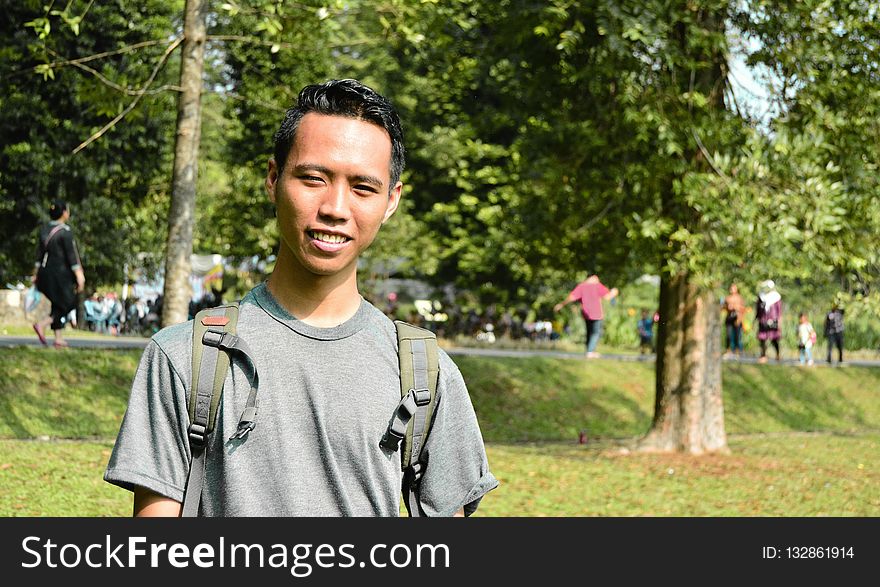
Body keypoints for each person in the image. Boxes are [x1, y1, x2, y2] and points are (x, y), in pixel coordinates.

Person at [104, 79, 497, 517]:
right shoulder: (184, 358)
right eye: (313, 178)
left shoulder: (425, 373)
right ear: (274, 179)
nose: (335, 207)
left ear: (391, 200)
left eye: (363, 188)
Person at [31, 200, 85, 348]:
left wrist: (35, 274)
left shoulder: (44, 230)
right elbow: (71, 256)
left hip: (45, 273)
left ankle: (58, 338)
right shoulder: (65, 232)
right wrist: (79, 275)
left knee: (57, 303)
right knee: (69, 302)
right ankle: (42, 324)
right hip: (61, 275)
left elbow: (39, 255)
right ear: (64, 213)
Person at [554, 274, 619, 358]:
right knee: (595, 332)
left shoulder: (582, 286)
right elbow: (607, 297)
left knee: (589, 332)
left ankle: (588, 350)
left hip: (586, 312)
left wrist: (561, 304)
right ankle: (590, 351)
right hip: (596, 312)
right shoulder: (597, 285)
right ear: (593, 277)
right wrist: (614, 292)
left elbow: (572, 297)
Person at [755, 279, 782, 363]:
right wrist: (756, 319)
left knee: (774, 339)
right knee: (762, 339)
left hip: (772, 320)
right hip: (763, 320)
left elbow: (779, 311)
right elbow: (758, 310)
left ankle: (778, 354)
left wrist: (779, 323)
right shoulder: (761, 297)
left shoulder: (776, 297)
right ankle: (763, 355)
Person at [723, 283, 746, 358]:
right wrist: (728, 307)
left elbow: (743, 309)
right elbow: (723, 307)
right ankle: (728, 350)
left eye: (733, 288)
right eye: (731, 288)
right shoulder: (727, 298)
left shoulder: (739, 298)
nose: (732, 289)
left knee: (737, 335)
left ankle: (737, 350)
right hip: (729, 318)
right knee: (728, 335)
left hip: (737, 318)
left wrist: (736, 307)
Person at [824, 300, 845, 364]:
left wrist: (840, 301)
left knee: (840, 346)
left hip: (839, 331)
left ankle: (840, 358)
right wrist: (825, 331)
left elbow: (843, 310)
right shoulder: (829, 314)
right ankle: (829, 358)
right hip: (831, 332)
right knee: (830, 346)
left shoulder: (840, 312)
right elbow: (826, 323)